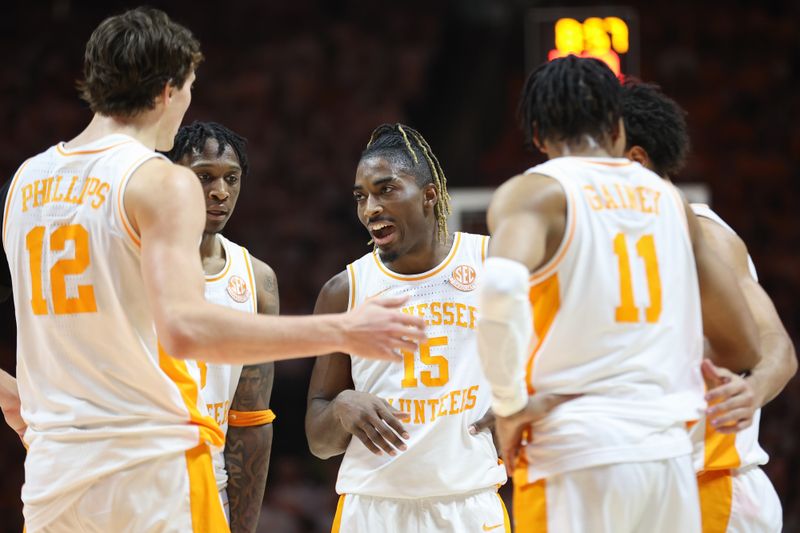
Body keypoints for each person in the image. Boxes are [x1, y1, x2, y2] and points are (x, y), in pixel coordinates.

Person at [2, 8, 424, 532]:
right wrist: (344, 329)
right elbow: (186, 331)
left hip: (53, 477)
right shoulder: (157, 180)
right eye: (189, 88)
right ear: (166, 91)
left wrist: (11, 392)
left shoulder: (25, 182)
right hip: (151, 475)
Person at [476, 55, 761, 533]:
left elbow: (500, 286)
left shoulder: (537, 192)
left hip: (575, 449)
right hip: (667, 456)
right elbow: (744, 346)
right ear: (617, 127)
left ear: (540, 136)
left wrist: (509, 406)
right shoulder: (673, 203)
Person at [306, 124, 531, 532]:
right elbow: (318, 440)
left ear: (429, 195)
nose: (370, 207)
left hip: (469, 505)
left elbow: (552, 348)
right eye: (361, 197)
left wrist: (519, 396)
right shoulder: (345, 290)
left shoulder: (490, 262)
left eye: (386, 190)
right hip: (374, 509)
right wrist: (341, 407)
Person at [621, 80, 795, 533]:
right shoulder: (603, 244)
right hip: (638, 488)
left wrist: (753, 390)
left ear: (635, 161)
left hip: (709, 488)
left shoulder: (705, 235)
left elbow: (778, 345)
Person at [166, 121, 277, 532]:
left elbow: (250, 421)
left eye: (231, 178)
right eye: (204, 177)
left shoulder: (257, 279)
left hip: (210, 493)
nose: (220, 191)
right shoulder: (130, 263)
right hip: (135, 485)